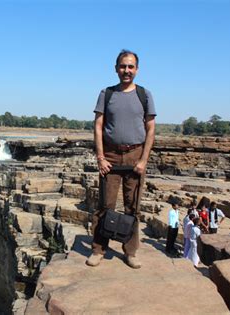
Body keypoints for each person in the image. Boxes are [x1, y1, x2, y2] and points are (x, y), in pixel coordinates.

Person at [86, 49, 157, 269]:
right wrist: (100, 157)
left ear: (137, 69)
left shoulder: (144, 95)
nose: (126, 71)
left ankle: (131, 251)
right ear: (116, 68)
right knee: (104, 205)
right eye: (122, 66)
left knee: (132, 207)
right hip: (111, 155)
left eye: (131, 67)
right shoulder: (106, 93)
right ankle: (99, 250)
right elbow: (98, 126)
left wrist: (144, 159)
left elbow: (151, 129)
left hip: (136, 154)